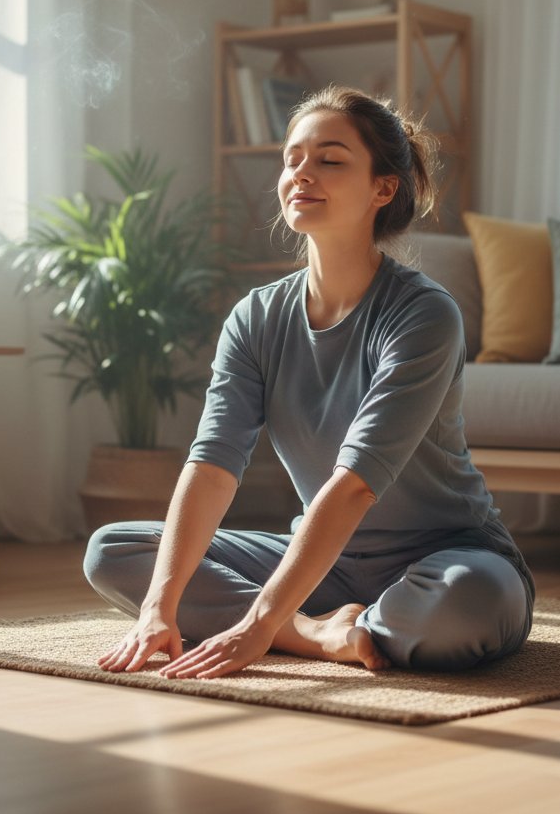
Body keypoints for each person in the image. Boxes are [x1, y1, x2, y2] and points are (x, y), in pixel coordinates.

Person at [84, 86, 534, 680]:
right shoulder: (256, 318)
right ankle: (322, 633)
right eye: (292, 158)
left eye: (329, 159)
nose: (302, 173)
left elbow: (354, 485)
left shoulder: (424, 314)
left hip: (446, 560)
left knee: (465, 607)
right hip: (329, 563)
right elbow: (213, 464)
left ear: (383, 188)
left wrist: (257, 626)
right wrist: (156, 609)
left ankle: (315, 621)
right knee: (115, 550)